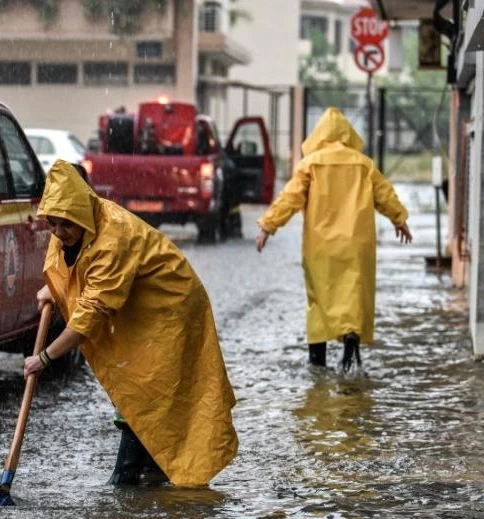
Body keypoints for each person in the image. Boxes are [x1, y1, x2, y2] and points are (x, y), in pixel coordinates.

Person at [23, 160, 239, 487]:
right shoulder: (72, 224)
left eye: (64, 225)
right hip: (137, 308)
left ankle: (125, 478)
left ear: (79, 215)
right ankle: (153, 473)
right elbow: (73, 265)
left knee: (147, 386)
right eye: (51, 224)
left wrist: (45, 357)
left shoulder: (113, 238)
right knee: (138, 382)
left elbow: (88, 318)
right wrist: (55, 287)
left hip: (170, 307)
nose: (57, 232)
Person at [255, 107, 412, 370]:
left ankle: (317, 361)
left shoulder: (310, 164)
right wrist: (400, 220)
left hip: (321, 245)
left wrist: (267, 227)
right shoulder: (364, 165)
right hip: (356, 244)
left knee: (319, 298)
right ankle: (351, 336)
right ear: (348, 135)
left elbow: (289, 199)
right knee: (352, 294)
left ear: (318, 136)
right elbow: (385, 195)